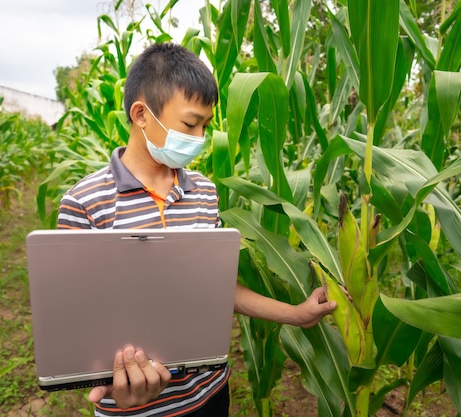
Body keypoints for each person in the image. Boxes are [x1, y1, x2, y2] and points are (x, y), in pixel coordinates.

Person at [56, 42, 336, 416]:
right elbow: (77, 320)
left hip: (208, 395)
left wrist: (294, 313)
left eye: (205, 125)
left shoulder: (203, 191)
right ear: (141, 114)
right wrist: (115, 390)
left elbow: (217, 289)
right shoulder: (85, 202)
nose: (200, 137)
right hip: (133, 409)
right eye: (190, 124)